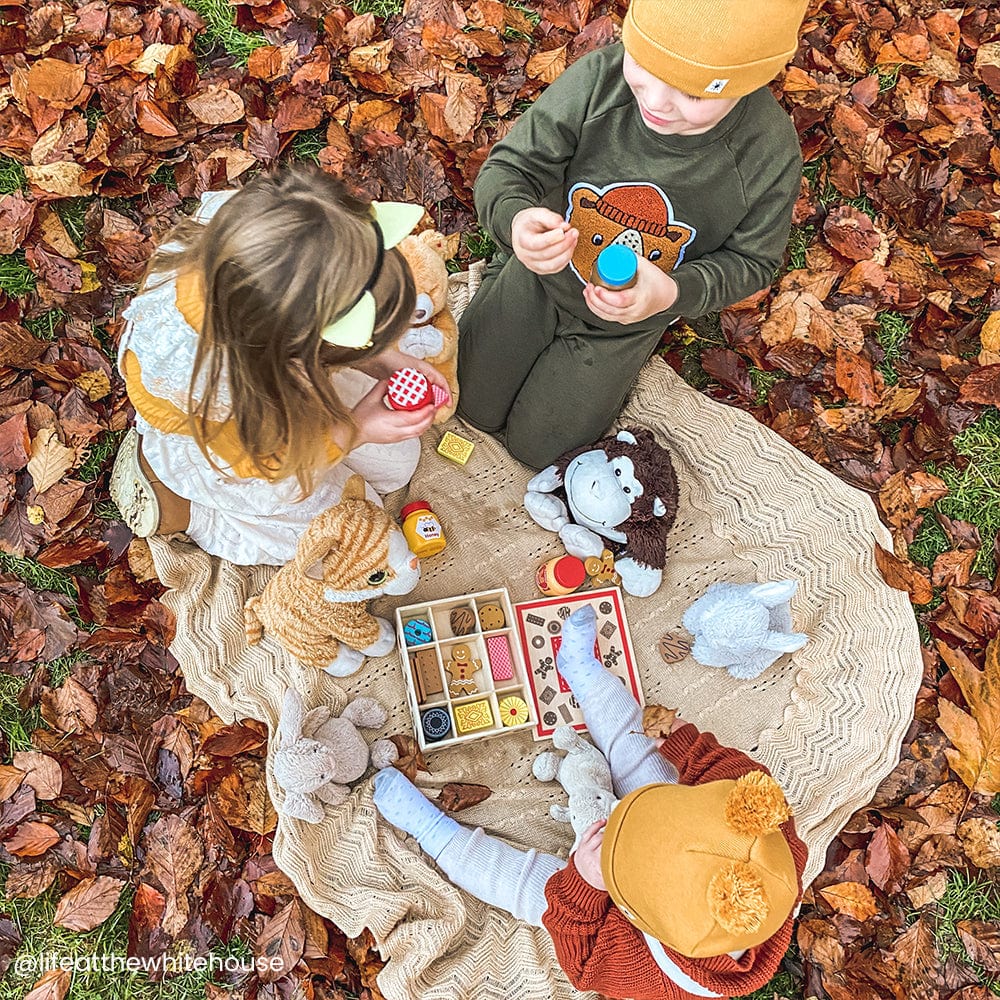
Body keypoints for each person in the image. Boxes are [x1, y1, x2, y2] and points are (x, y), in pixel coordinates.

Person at [374, 606, 808, 1000]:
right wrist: (677, 735)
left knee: (525, 887)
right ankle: (581, 671)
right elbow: (718, 765)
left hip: (602, 908)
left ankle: (431, 830)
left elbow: (580, 962)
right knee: (637, 751)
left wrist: (583, 882)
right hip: (666, 815)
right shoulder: (764, 827)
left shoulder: (647, 973)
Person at [456, 0, 808, 469]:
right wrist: (516, 220)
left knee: (539, 450)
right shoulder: (601, 80)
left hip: (623, 325)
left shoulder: (766, 152)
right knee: (466, 401)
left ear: (750, 82)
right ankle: (505, 278)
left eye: (693, 94)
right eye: (644, 63)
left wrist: (672, 293)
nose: (657, 101)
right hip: (540, 279)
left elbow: (754, 261)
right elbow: (511, 167)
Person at [109, 165, 448, 566]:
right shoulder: (224, 386)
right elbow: (274, 469)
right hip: (236, 447)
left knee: (398, 464)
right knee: (336, 534)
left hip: (282, 380)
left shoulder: (272, 239)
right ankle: (187, 508)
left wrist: (380, 359)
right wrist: (356, 428)